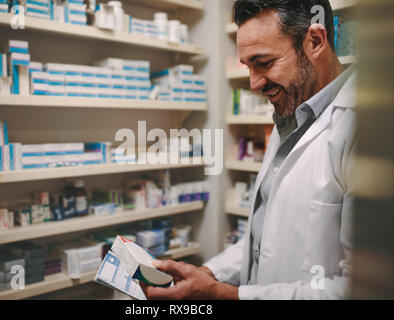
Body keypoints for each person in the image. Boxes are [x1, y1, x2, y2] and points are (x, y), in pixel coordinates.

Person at [141, 0, 357, 300]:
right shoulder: (288, 117)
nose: (254, 83)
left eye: (264, 63)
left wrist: (224, 295)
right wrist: (207, 274)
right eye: (248, 66)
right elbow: (264, 239)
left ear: (315, 42)